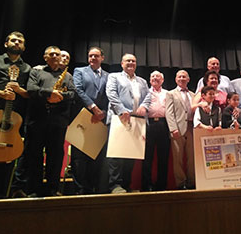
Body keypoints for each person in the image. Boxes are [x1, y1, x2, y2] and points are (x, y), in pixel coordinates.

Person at [23, 46, 76, 196]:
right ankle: (34, 189)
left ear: (61, 57)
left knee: (56, 156)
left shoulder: (67, 76)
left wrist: (59, 96)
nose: (54, 56)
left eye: (57, 54)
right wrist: (48, 94)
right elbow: (31, 89)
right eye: (51, 54)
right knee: (34, 155)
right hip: (37, 120)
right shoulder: (36, 72)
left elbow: (73, 94)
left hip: (58, 122)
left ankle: (53, 189)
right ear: (45, 57)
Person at [105, 53, 150, 193]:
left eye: (133, 61)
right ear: (122, 63)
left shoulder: (142, 81)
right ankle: (115, 185)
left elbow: (148, 96)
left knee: (131, 155)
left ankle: (127, 185)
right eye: (128, 60)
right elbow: (111, 93)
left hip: (136, 121)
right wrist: (121, 110)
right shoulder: (114, 76)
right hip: (119, 119)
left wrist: (144, 106)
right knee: (116, 155)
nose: (131, 63)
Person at [0, 31, 30, 198]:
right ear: (6, 43)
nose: (17, 43)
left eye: (20, 41)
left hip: (13, 119)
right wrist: (1, 93)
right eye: (14, 40)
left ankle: (5, 196)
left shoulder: (26, 68)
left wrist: (18, 90)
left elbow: (29, 94)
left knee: (9, 159)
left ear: (23, 46)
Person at [71, 47, 109, 194]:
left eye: (96, 56)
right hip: (83, 117)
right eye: (90, 56)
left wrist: (104, 113)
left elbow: (110, 96)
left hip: (100, 120)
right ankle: (79, 190)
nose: (93, 58)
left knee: (96, 157)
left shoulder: (108, 76)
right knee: (79, 158)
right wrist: (93, 108)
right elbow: (78, 90)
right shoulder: (79, 71)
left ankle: (92, 189)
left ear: (102, 58)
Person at [165, 70, 196, 190]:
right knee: (177, 158)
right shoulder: (171, 94)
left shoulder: (193, 94)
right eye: (180, 77)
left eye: (184, 77)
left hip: (191, 128)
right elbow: (169, 112)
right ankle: (180, 182)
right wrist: (173, 129)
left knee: (191, 158)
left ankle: (191, 182)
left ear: (188, 79)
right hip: (177, 129)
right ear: (176, 79)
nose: (182, 78)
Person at [141, 71, 170, 192]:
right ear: (149, 79)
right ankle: (147, 185)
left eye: (158, 76)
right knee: (147, 157)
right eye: (152, 76)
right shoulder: (144, 92)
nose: (155, 78)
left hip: (164, 124)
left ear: (162, 80)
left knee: (163, 157)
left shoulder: (168, 93)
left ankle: (161, 185)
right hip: (149, 124)